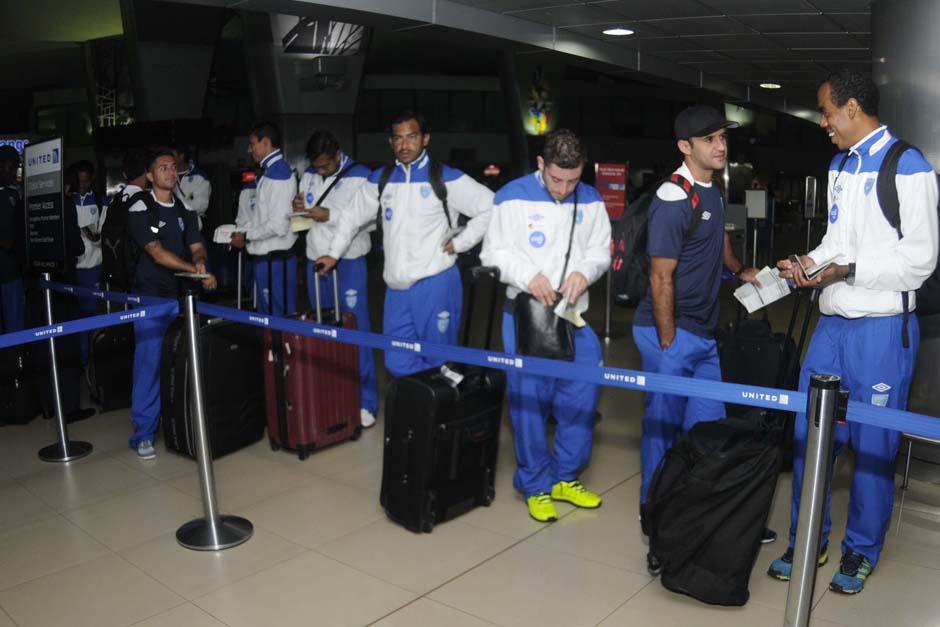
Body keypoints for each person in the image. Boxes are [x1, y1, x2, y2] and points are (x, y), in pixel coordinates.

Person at [768, 70, 939, 595]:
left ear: (852, 109)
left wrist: (849, 270)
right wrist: (808, 263)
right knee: (808, 435)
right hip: (833, 325)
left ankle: (861, 550)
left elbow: (921, 259)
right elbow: (835, 240)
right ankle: (807, 538)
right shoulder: (840, 164)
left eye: (826, 112)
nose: (823, 123)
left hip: (883, 330)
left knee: (873, 444)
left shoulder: (908, 167)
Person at [632, 105, 768, 574]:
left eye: (722, 137)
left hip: (703, 334)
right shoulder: (673, 198)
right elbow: (660, 277)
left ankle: (701, 511)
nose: (720, 145)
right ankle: (655, 515)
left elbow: (719, 237)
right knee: (663, 429)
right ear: (684, 147)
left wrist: (738, 269)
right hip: (668, 332)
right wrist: (669, 342)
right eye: (709, 139)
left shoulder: (712, 187)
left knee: (707, 429)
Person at [480, 129, 610, 523]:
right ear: (541, 164)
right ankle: (535, 484)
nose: (564, 188)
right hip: (526, 318)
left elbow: (600, 250)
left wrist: (584, 273)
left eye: (573, 180)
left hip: (576, 316)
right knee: (529, 403)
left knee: (580, 400)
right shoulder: (511, 196)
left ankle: (565, 478)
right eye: (556, 179)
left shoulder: (591, 200)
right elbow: (493, 252)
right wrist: (526, 275)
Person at [316, 111, 493, 378]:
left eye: (411, 137)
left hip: (436, 282)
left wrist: (462, 242)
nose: (404, 145)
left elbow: (493, 206)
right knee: (396, 362)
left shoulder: (445, 177)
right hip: (396, 289)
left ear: (425, 139)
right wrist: (333, 254)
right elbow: (351, 217)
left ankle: (442, 413)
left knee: (439, 360)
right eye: (398, 138)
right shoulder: (381, 179)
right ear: (391, 143)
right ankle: (432, 397)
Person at [127, 148, 216, 459]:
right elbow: (156, 252)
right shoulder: (141, 206)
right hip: (149, 297)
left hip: (180, 298)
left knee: (183, 361)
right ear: (150, 176)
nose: (170, 171)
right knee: (149, 364)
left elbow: (196, 245)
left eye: (172, 167)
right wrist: (195, 271)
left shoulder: (184, 210)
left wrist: (201, 263)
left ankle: (185, 422)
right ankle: (143, 433)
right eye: (162, 168)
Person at [294, 130, 378, 428]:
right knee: (323, 331)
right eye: (316, 166)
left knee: (356, 329)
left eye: (326, 166)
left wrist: (326, 213)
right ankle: (330, 395)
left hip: (349, 262)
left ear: (338, 155)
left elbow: (369, 221)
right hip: (315, 261)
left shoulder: (362, 177)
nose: (321, 171)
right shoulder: (309, 176)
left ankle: (366, 401)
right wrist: (300, 212)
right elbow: (303, 218)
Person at [230, 122, 297, 315]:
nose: (249, 149)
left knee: (278, 319)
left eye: (252, 144)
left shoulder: (278, 174)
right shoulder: (270, 172)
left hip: (275, 260)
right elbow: (263, 218)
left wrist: (247, 235)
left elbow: (278, 225)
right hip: (267, 258)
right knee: (266, 317)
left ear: (266, 142)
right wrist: (243, 232)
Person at [70, 160, 105, 366]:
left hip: (94, 268)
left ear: (91, 179)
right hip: (74, 270)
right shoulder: (68, 200)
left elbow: (105, 232)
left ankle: (94, 360)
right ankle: (82, 360)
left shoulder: (99, 201)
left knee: (94, 316)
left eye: (85, 181)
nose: (82, 185)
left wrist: (96, 237)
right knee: (77, 319)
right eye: (79, 182)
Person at [0, 146, 25, 332]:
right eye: (11, 167)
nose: (14, 173)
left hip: (13, 272)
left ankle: (16, 357)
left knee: (15, 325)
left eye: (16, 168)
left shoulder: (13, 194)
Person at [174, 146, 211, 230]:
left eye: (172, 155)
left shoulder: (200, 176)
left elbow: (200, 206)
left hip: (192, 228)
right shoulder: (166, 175)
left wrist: (175, 206)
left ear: (181, 156)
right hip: (169, 229)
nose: (168, 157)